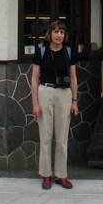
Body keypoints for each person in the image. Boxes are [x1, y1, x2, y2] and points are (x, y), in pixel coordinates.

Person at [30, 20, 78, 189]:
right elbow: (35, 78)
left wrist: (74, 101)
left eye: (62, 32)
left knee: (62, 137)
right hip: (46, 92)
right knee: (46, 136)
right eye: (56, 32)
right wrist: (35, 103)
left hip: (64, 94)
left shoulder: (69, 52)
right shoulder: (41, 52)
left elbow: (73, 77)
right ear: (50, 34)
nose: (59, 35)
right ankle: (46, 174)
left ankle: (61, 175)